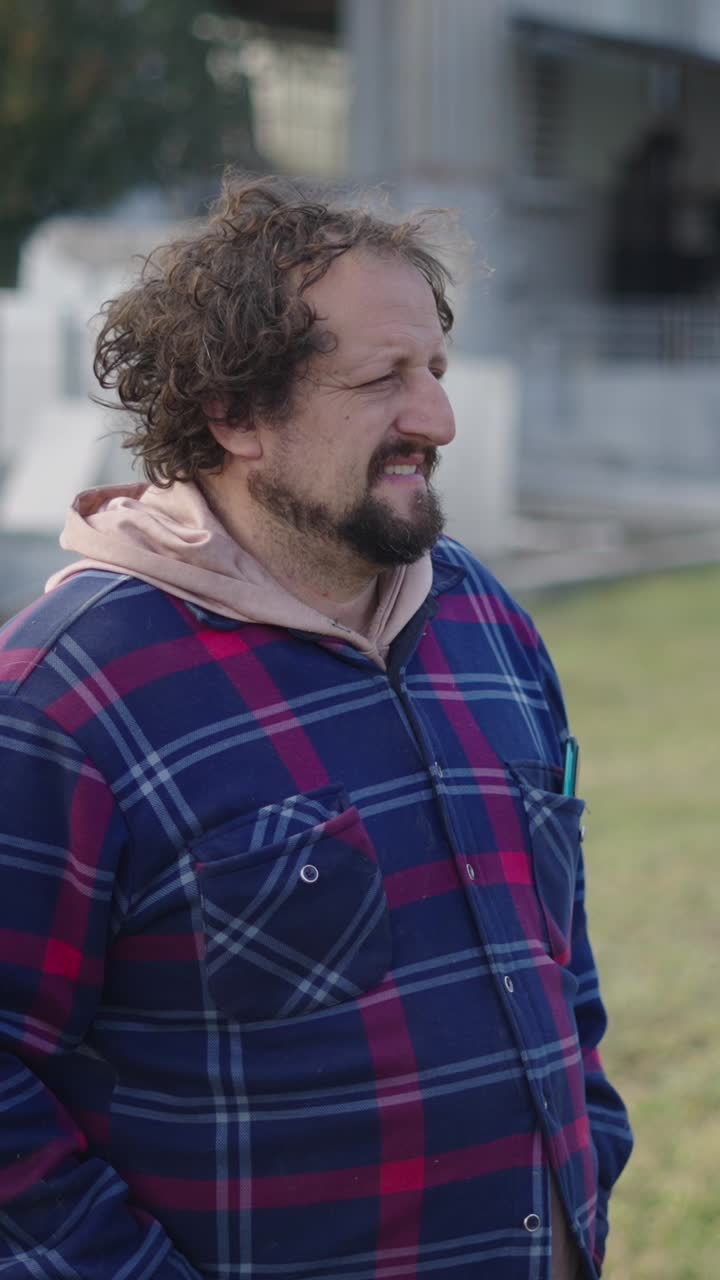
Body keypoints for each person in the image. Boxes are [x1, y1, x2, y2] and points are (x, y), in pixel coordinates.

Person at [0, 175, 632, 1280]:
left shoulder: (483, 618)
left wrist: (592, 1150)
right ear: (234, 413)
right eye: (380, 377)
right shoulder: (66, 698)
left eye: (433, 368)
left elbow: (554, 952)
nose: (435, 416)